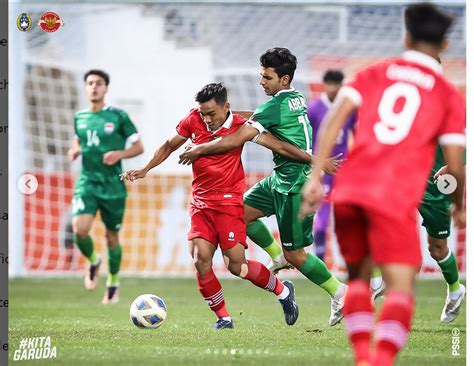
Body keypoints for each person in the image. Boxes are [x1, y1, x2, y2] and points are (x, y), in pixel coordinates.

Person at [300, 3, 465, 365]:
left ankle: (364, 357)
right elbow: (456, 163)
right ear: (445, 46)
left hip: (351, 187)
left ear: (405, 37)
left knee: (360, 279)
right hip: (395, 193)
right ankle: (380, 361)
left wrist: (315, 178)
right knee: (400, 288)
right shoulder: (448, 94)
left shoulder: (373, 73)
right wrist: (461, 206)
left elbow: (332, 122)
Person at [121, 82, 313, 329]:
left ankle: (283, 291)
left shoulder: (241, 126)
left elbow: (279, 145)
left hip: (230, 204)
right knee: (201, 260)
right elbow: (169, 145)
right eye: (203, 114)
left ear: (226, 107)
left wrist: (312, 160)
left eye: (212, 114)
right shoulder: (193, 120)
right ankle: (223, 318)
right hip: (201, 205)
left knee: (238, 266)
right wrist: (146, 169)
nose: (207, 119)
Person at [179, 48, 347, 327]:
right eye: (261, 75)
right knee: (239, 213)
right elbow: (257, 119)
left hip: (295, 185)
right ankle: (276, 255)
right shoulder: (294, 99)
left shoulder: (274, 106)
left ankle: (340, 292)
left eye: (266, 77)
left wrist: (198, 149)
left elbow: (234, 140)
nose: (261, 82)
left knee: (297, 254)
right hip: (278, 178)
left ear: (283, 79)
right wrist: (225, 114)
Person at [68, 69, 144, 304]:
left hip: (113, 184)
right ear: (85, 87)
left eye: (98, 83)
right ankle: (93, 260)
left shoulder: (119, 116)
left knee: (112, 236)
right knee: (79, 229)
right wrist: (74, 149)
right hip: (87, 182)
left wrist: (119, 153)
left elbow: (139, 147)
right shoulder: (79, 116)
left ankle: (113, 282)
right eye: (90, 83)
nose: (94, 87)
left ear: (106, 88)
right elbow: (78, 139)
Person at [307, 69, 357, 260]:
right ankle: (320, 257)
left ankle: (354, 259)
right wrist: (314, 166)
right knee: (322, 219)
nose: (333, 88)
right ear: (324, 85)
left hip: (345, 169)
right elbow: (308, 138)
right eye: (329, 84)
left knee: (349, 217)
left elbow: (357, 134)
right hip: (323, 170)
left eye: (337, 84)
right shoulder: (314, 108)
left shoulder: (349, 108)